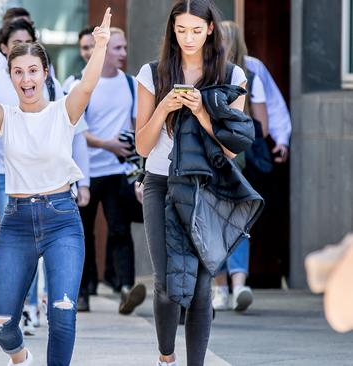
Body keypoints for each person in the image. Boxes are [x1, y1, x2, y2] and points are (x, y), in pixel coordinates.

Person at [0, 7, 112, 365]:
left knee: (62, 312)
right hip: (16, 221)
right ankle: (20, 357)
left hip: (61, 218)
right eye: (18, 72)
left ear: (45, 73)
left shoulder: (64, 111)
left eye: (33, 70)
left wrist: (102, 45)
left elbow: (90, 83)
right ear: (11, 76)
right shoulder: (6, 117)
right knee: (0, 322)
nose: (26, 78)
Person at [135, 1, 249, 365]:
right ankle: (166, 358)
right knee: (167, 283)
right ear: (172, 29)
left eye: (196, 30)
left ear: (211, 29)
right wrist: (164, 108)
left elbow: (231, 151)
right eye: (181, 30)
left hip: (208, 186)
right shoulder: (151, 73)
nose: (188, 38)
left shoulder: (232, 77)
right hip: (161, 182)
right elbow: (142, 144)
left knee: (201, 287)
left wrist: (201, 111)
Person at [74, 26, 146, 314]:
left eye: (125, 48)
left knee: (119, 229)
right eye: (117, 48)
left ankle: (126, 289)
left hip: (120, 171)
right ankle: (82, 292)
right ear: (101, 51)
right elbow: (76, 129)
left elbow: (135, 124)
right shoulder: (81, 84)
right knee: (83, 233)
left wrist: (130, 149)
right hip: (88, 172)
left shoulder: (130, 84)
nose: (124, 54)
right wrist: (107, 144)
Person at [211, 20, 269, 313]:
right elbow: (263, 126)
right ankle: (238, 284)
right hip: (237, 157)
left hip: (216, 156)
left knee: (218, 222)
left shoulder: (212, 71)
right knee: (236, 222)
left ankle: (222, 288)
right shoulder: (248, 73)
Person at [62, 26, 95, 92]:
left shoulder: (120, 79)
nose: (90, 51)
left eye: (94, 46)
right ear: (80, 51)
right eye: (85, 48)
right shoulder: (70, 82)